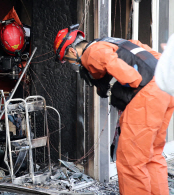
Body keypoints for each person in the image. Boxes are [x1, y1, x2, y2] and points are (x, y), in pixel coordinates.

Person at [54, 24, 174, 195]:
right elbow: (151, 54)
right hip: (165, 90)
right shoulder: (114, 42)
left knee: (131, 161)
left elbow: (131, 77)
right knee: (153, 156)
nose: (69, 63)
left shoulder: (90, 53)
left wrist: (112, 87)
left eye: (66, 58)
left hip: (147, 97)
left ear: (72, 51)